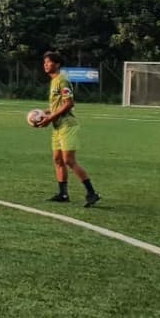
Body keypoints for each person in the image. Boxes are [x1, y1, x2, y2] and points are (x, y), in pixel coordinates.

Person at [37, 51, 101, 207]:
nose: (45, 65)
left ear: (57, 64)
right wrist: (43, 113)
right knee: (58, 160)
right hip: (57, 126)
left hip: (67, 125)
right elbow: (57, 105)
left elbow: (69, 103)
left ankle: (92, 193)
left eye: (49, 62)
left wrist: (50, 118)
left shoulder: (62, 80)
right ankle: (63, 194)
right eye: (44, 62)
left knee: (69, 160)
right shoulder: (54, 82)